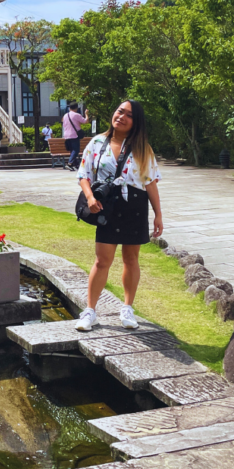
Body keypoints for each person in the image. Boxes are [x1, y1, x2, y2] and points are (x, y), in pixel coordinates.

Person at [75, 100, 163, 332]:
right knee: (102, 260)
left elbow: (150, 182)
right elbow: (84, 174)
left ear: (136, 122)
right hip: (107, 206)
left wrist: (158, 214)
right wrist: (90, 198)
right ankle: (90, 311)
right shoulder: (97, 143)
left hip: (134, 205)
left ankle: (127, 308)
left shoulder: (143, 148)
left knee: (131, 259)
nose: (121, 117)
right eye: (119, 111)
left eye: (129, 115)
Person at [62, 103, 88, 170]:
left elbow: (64, 125)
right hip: (74, 135)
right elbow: (85, 121)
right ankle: (70, 163)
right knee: (76, 150)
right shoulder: (77, 115)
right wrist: (86, 114)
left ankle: (75, 165)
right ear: (76, 108)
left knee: (72, 151)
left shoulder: (65, 115)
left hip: (66, 135)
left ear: (69, 108)